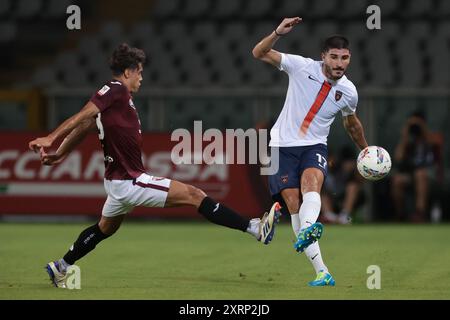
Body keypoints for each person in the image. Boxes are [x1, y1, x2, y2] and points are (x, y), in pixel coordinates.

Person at [29, 43, 281, 289]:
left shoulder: (119, 101)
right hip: (130, 180)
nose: (141, 77)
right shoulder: (115, 89)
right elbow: (85, 114)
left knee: (104, 229)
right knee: (195, 195)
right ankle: (254, 228)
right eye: (139, 71)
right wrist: (52, 138)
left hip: (119, 182)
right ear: (128, 72)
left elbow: (88, 124)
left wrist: (60, 153)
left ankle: (61, 266)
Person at [252, 17, 369, 286]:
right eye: (335, 57)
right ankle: (322, 272)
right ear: (323, 57)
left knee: (311, 187)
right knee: (294, 205)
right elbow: (258, 53)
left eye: (345, 58)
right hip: (282, 145)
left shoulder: (349, 92)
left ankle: (307, 230)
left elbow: (351, 123)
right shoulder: (300, 66)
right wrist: (277, 33)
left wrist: (365, 150)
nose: (340, 63)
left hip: (314, 145)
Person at [391, 111, 434, 223]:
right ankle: (401, 215)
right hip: (410, 174)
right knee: (397, 180)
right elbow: (398, 157)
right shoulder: (408, 140)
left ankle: (420, 213)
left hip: (430, 174)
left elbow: (433, 145)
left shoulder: (429, 138)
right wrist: (405, 135)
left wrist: (422, 127)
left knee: (420, 174)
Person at [321, 146, 365, 225]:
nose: (329, 161)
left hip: (344, 197)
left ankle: (344, 216)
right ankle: (330, 217)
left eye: (330, 158)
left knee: (352, 187)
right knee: (318, 190)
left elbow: (360, 181)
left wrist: (353, 169)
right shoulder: (319, 168)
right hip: (329, 197)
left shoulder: (342, 167)